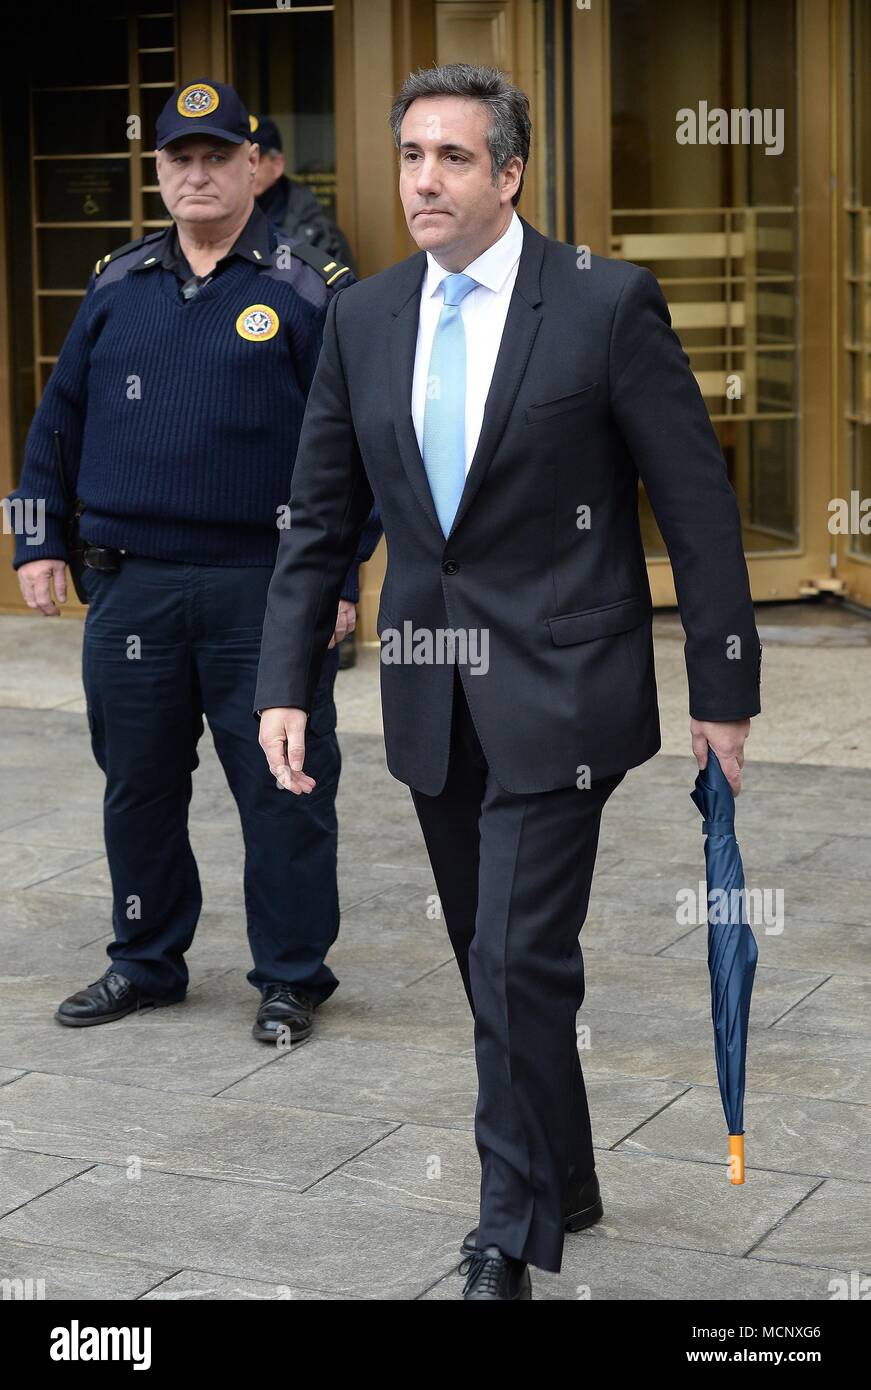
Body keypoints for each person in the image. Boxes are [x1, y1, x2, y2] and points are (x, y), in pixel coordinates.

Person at [252, 64, 762, 1299]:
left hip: (563, 688)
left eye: (455, 158)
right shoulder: (365, 318)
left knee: (509, 960)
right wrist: (284, 680)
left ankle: (508, 1230)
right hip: (431, 688)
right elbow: (318, 517)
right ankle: (568, 1175)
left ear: (510, 175)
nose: (425, 179)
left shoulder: (601, 304)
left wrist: (722, 687)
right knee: (503, 956)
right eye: (411, 155)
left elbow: (693, 505)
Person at [7, 79, 381, 1043]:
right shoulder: (117, 285)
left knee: (284, 787)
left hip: (265, 590)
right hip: (130, 587)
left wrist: (339, 582)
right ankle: (144, 962)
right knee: (138, 784)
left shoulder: (303, 291)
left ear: (255, 167)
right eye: (182, 158)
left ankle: (293, 976)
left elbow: (358, 454)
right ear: (160, 171)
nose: (199, 174)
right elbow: (58, 421)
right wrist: (37, 536)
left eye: (219, 157)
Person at [251, 115, 357, 275]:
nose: (245, 168)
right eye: (236, 159)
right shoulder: (214, 219)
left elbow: (341, 296)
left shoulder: (317, 233)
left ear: (277, 165)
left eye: (253, 159)